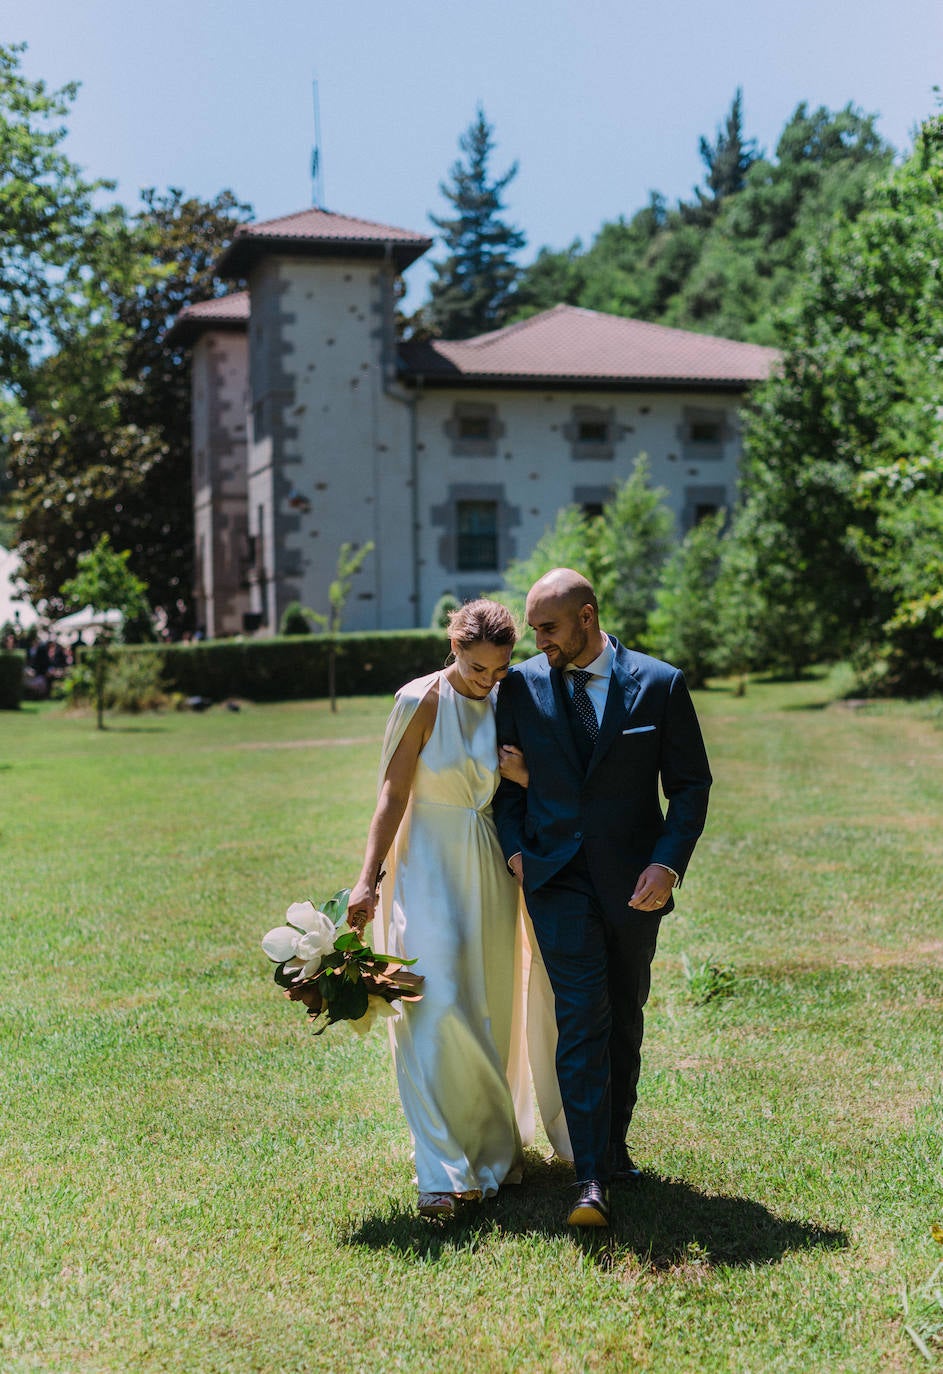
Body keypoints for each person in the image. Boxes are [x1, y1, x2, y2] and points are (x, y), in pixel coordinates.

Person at [493, 568, 712, 1228]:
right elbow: (506, 787)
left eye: (549, 628)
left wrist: (666, 865)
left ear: (586, 617)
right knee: (582, 1013)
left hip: (633, 881)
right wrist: (515, 850)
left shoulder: (660, 685)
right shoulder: (522, 687)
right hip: (554, 878)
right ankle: (589, 1179)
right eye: (533, 629)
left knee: (623, 1010)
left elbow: (690, 785)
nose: (539, 642)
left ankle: (611, 1150)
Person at [347, 599, 566, 1218]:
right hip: (426, 869)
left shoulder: (507, 698)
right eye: (476, 669)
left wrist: (525, 779)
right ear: (454, 649)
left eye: (499, 671)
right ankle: (441, 1171)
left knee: (487, 1008)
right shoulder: (419, 700)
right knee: (431, 1003)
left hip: (490, 871)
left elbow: (541, 783)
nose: (487, 682)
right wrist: (368, 880)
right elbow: (391, 795)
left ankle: (491, 1154)